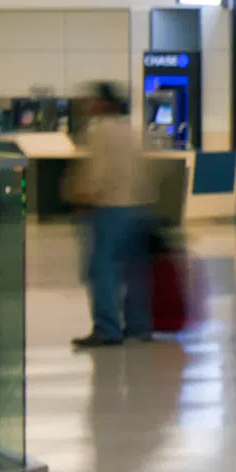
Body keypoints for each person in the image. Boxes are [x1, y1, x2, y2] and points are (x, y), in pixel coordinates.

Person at [67, 90, 164, 349]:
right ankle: (140, 326)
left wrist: (82, 197)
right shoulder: (129, 130)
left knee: (103, 270)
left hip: (109, 207)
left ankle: (107, 329)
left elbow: (96, 171)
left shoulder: (99, 131)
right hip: (139, 207)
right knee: (135, 271)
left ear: (102, 103)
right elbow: (146, 169)